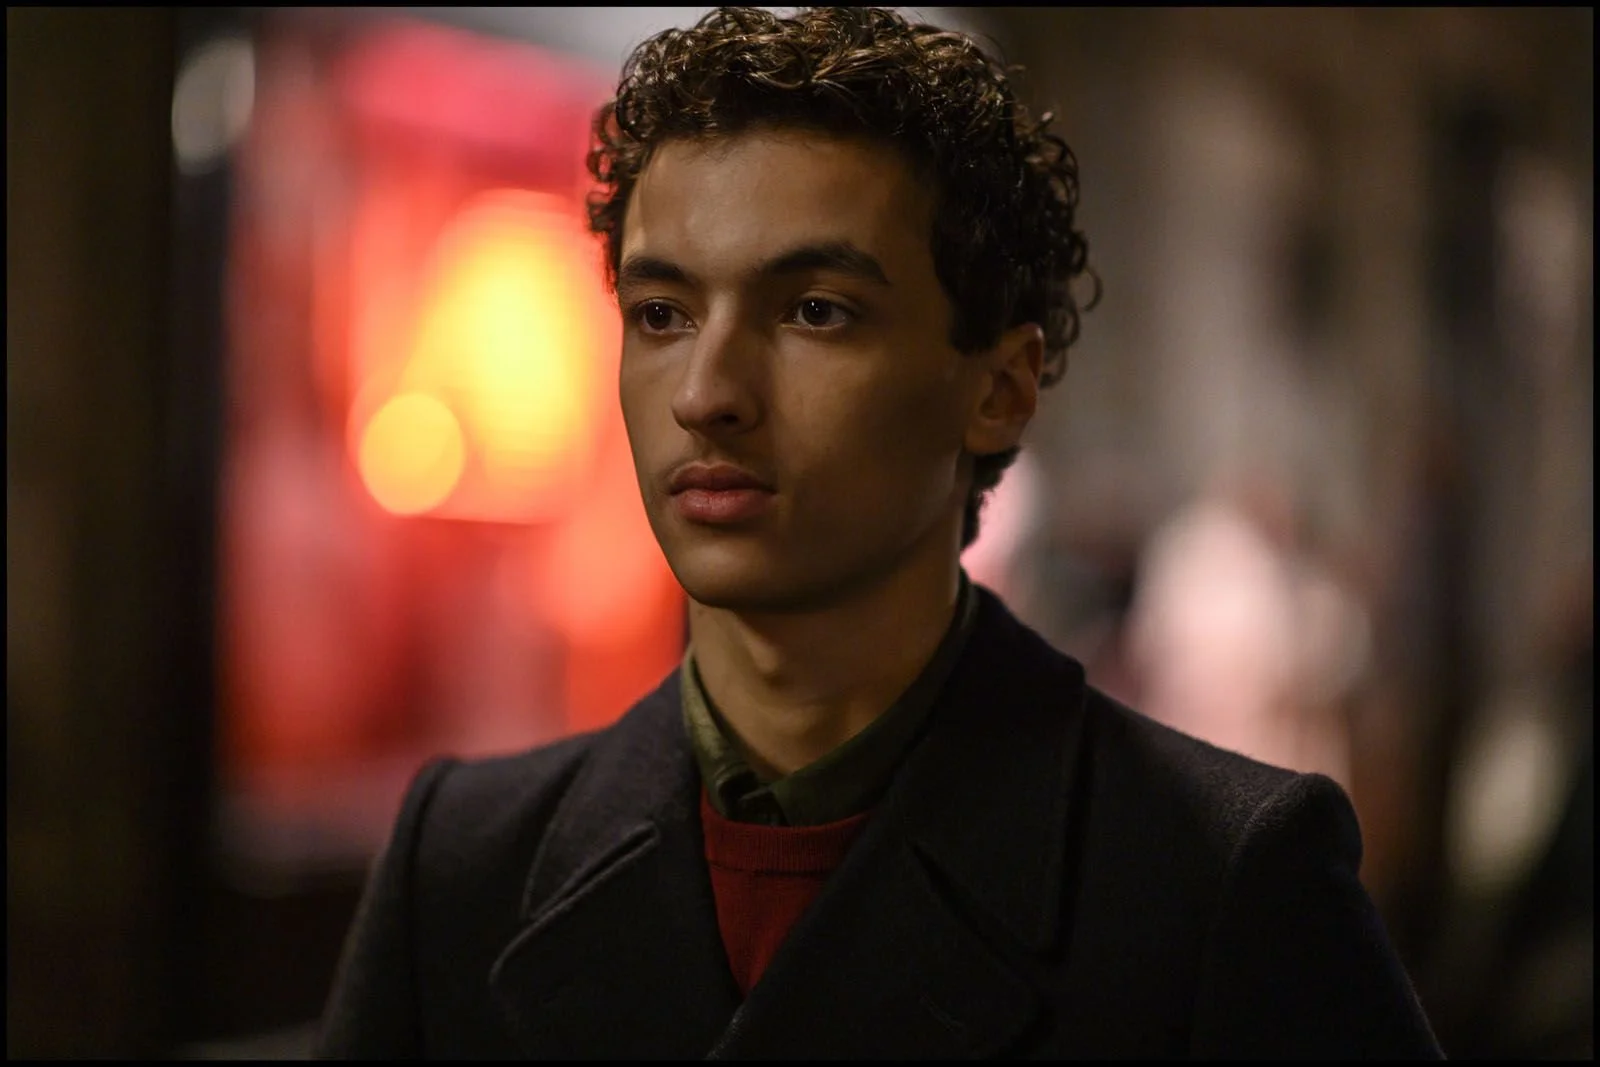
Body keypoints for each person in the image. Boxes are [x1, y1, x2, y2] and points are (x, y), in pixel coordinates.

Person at [316, 7, 1443, 1058]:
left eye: (815, 310)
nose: (707, 391)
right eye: (661, 313)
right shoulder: (464, 860)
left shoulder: (1218, 876)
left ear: (997, 388)